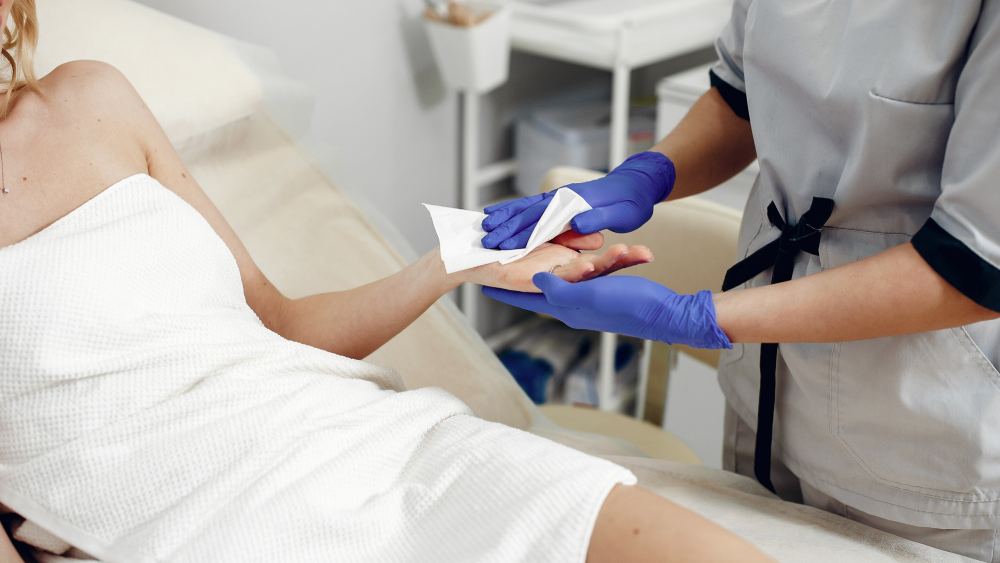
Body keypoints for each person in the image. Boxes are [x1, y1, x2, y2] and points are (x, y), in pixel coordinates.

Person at [0, 0, 773, 560]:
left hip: (364, 444)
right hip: (182, 523)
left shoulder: (91, 99)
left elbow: (278, 324)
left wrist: (454, 263)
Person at [483, 1, 1000, 560]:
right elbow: (740, 97)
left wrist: (693, 317)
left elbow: (971, 267)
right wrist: (645, 176)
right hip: (768, 387)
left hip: (918, 434)